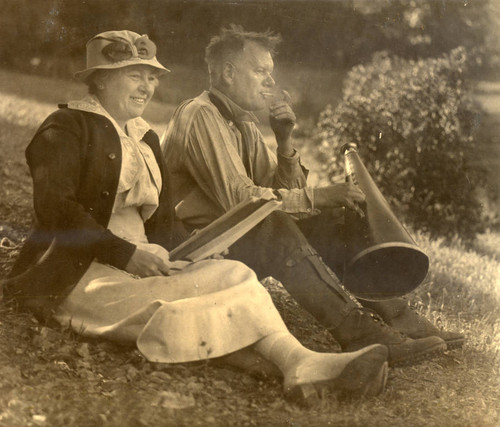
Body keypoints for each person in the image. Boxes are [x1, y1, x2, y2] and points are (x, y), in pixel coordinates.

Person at [1, 30, 390, 404]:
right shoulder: (66, 126)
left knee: (235, 274)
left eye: (151, 77)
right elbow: (56, 209)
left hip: (142, 264)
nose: (146, 87)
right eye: (134, 75)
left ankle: (299, 364)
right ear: (100, 80)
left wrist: (194, 255)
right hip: (82, 273)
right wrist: (126, 254)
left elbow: (163, 225)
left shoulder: (145, 138)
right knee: (179, 309)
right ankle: (298, 365)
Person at [163, 24, 465, 367]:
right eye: (260, 71)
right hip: (185, 253)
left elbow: (285, 197)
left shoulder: (242, 123)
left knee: (326, 216)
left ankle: (398, 315)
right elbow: (244, 202)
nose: (269, 82)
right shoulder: (200, 114)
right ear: (228, 73)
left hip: (224, 245)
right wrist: (320, 195)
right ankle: (358, 333)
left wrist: (285, 140)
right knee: (274, 225)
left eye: (269, 73)